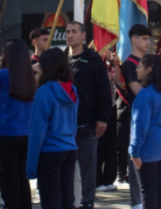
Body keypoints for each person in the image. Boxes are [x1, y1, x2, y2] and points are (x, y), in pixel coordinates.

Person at [0, 40, 36, 209]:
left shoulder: (4, 75)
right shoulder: (29, 75)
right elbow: (0, 80)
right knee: (22, 179)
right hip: (26, 135)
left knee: (8, 180)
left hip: (5, 135)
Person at [65, 21, 112, 209]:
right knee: (65, 168)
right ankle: (67, 201)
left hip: (88, 123)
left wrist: (103, 118)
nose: (70, 35)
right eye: (68, 32)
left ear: (84, 36)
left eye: (74, 32)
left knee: (88, 167)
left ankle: (87, 202)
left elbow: (104, 90)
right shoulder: (60, 58)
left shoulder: (93, 59)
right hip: (63, 125)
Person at [27, 48, 79, 209]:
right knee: (66, 201)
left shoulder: (43, 92)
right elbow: (74, 122)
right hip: (70, 148)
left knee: (51, 201)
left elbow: (37, 132)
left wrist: (30, 167)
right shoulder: (72, 89)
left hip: (50, 152)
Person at [130, 54, 161, 209]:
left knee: (147, 188)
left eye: (139, 66)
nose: (137, 68)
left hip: (148, 145)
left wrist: (134, 150)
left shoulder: (145, 94)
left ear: (149, 69)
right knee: (159, 186)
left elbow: (140, 125)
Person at [116, 24, 151, 209]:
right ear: (134, 39)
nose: (148, 42)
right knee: (135, 156)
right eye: (144, 38)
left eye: (149, 39)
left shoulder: (150, 62)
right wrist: (156, 96)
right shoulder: (130, 63)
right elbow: (136, 89)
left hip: (152, 115)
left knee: (150, 158)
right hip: (136, 114)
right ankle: (137, 200)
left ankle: (149, 199)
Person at [96, 51, 118, 192]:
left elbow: (120, 83)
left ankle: (109, 178)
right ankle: (97, 180)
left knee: (111, 144)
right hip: (98, 110)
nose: (110, 52)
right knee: (99, 146)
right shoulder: (95, 66)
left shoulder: (112, 66)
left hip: (111, 106)